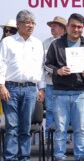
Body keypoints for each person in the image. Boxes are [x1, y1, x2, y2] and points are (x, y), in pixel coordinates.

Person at [45, 13, 84, 161]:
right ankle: (59, 157)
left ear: (83, 28)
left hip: (80, 93)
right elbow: (47, 65)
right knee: (60, 130)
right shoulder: (56, 44)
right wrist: (57, 71)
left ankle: (80, 157)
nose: (76, 29)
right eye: (73, 26)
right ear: (67, 26)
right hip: (59, 93)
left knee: (80, 130)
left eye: (80, 27)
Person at [0, 10, 46, 161]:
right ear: (18, 24)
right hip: (10, 88)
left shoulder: (38, 43)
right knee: (12, 127)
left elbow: (41, 68)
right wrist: (1, 85)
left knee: (25, 128)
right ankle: (10, 158)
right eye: (27, 22)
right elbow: (1, 64)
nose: (30, 25)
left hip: (30, 89)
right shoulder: (8, 42)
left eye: (33, 23)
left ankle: (24, 157)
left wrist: (41, 88)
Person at [42, 16, 67, 141]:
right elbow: (43, 63)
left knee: (64, 112)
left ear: (63, 28)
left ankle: (65, 136)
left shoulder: (69, 42)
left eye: (55, 26)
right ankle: (48, 136)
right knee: (50, 110)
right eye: (51, 26)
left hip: (65, 83)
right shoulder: (46, 43)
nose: (52, 28)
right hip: (50, 82)